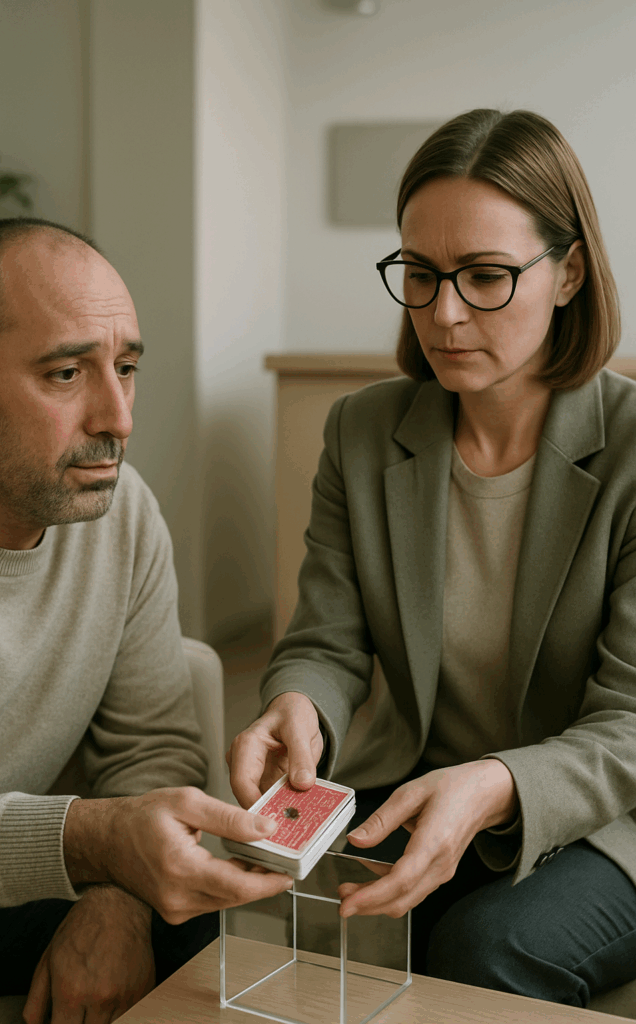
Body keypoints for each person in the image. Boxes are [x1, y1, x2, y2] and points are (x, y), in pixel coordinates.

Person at [228, 108, 636, 1007]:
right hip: (423, 783)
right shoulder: (364, 430)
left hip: (611, 815)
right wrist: (297, 702)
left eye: (486, 276)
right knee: (216, 902)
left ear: (568, 273)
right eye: (419, 274)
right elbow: (325, 639)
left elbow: (631, 725)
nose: (443, 313)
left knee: (483, 948)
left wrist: (494, 784)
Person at [0, 218, 292, 1020]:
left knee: (184, 925)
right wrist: (95, 842)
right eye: (66, 373)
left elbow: (152, 743)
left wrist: (118, 899)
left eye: (127, 367)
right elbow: (105, 828)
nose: (119, 418)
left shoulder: (120, 512)